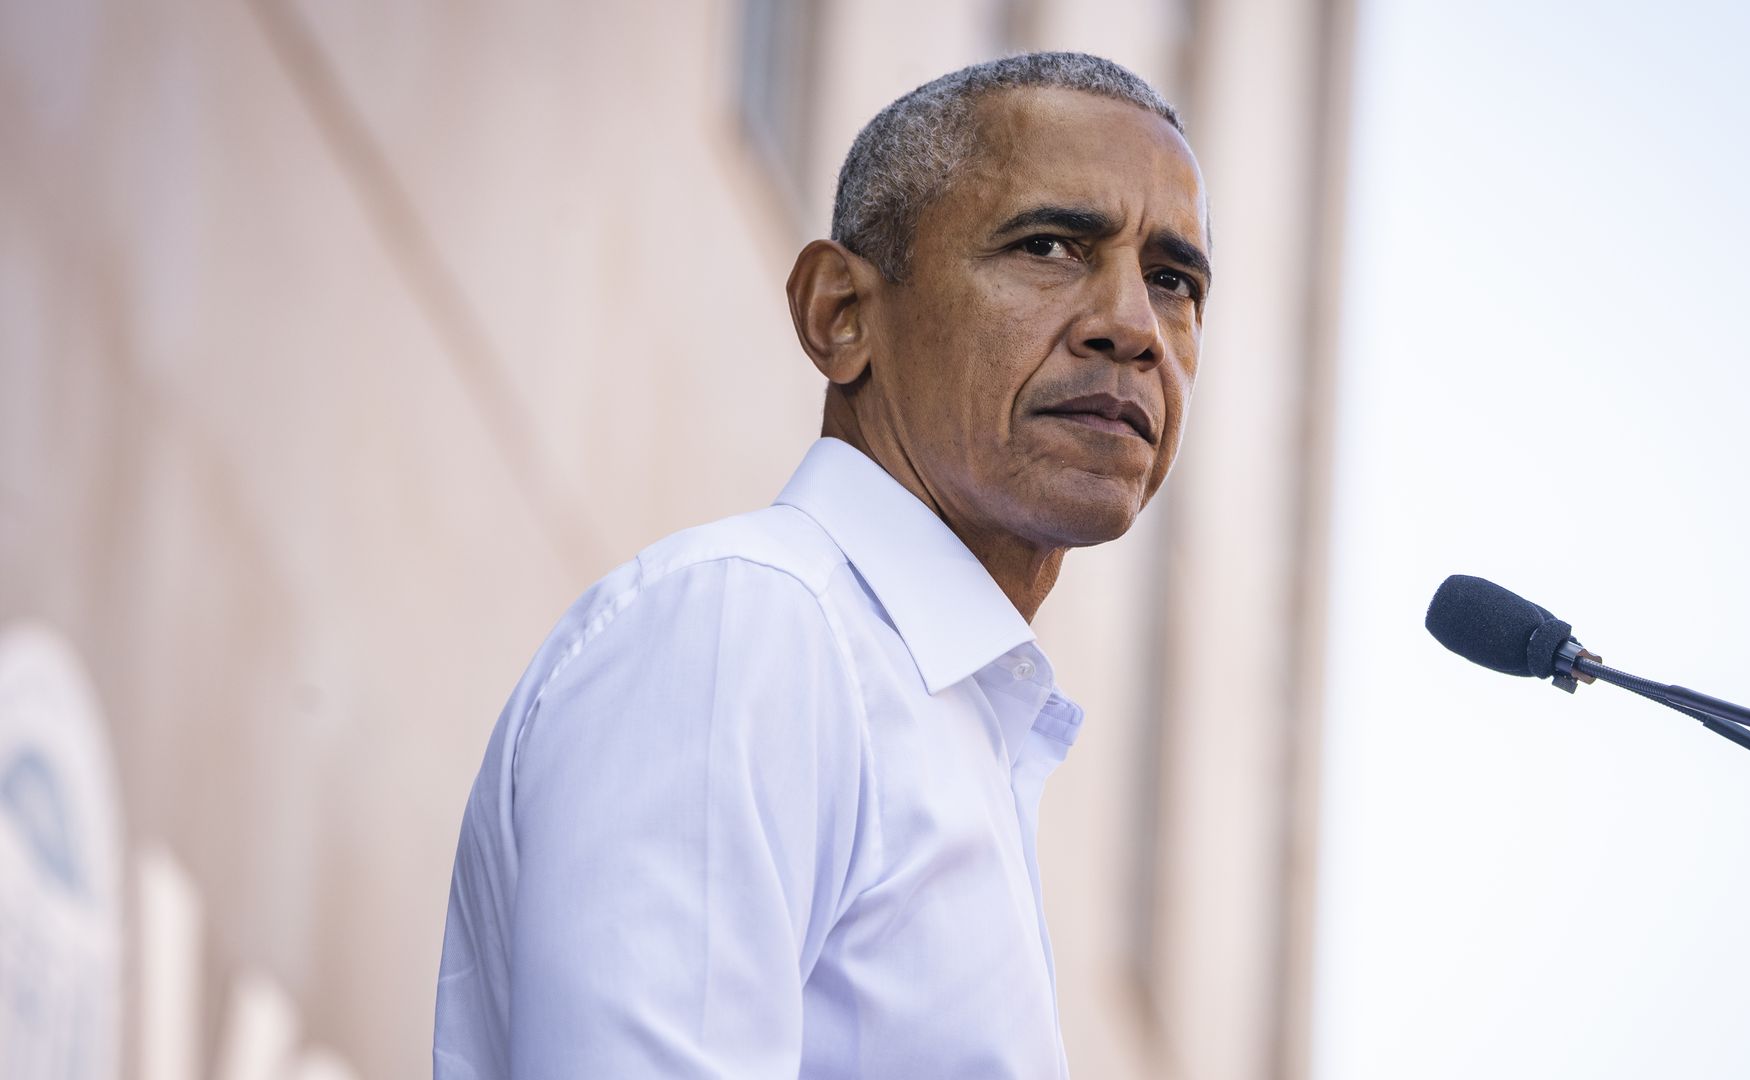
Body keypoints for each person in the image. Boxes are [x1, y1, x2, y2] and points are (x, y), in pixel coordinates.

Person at [433, 51, 1210, 1078]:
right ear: (840, 315)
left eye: (1172, 280)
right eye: (1051, 246)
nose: (1132, 326)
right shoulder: (753, 629)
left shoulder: (958, 720)